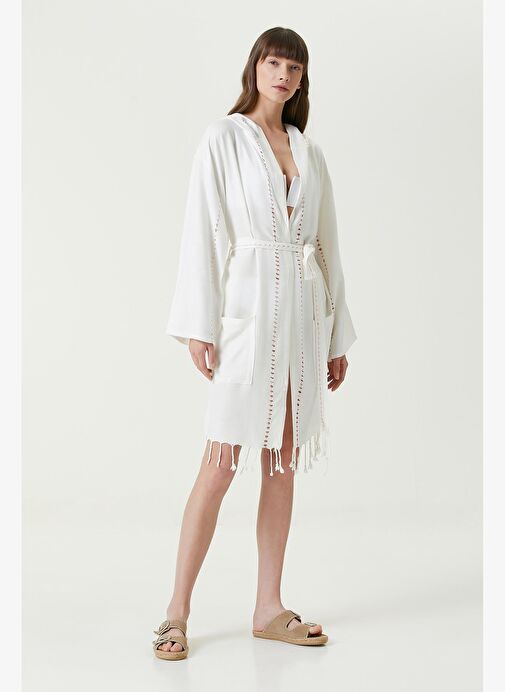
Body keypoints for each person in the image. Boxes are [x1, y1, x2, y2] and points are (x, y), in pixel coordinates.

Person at [152, 27, 357, 660]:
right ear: (256, 67)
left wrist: (335, 336)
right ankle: (176, 612)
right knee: (220, 463)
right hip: (247, 317)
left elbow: (326, 244)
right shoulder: (224, 138)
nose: (284, 75)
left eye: (295, 67)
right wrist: (201, 324)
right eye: (275, 62)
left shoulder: (308, 151)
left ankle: (269, 607)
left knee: (282, 460)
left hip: (301, 323)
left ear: (302, 78)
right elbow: (202, 231)